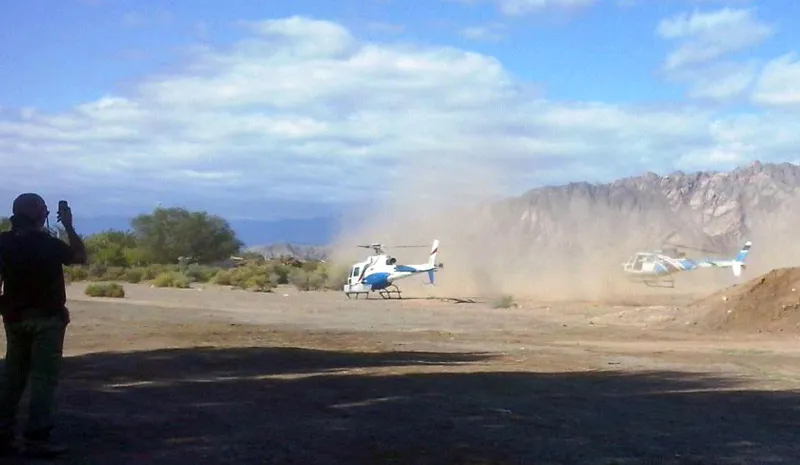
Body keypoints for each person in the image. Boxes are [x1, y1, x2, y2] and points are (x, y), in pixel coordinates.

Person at [0, 193, 87, 458]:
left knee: (13, 376)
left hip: (15, 318)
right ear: (38, 214)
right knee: (43, 379)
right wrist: (69, 225)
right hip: (48, 319)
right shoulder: (48, 243)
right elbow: (79, 257)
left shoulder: (3, 242)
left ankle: (3, 434)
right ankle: (37, 437)